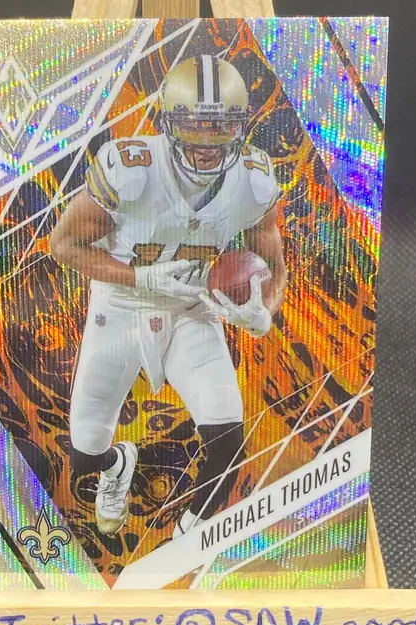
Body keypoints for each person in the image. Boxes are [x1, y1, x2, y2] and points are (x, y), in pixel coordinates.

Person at [49, 54, 287, 539]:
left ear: (240, 125)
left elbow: (274, 264)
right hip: (120, 306)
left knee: (228, 441)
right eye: (195, 126)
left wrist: (264, 313)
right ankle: (118, 465)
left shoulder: (254, 180)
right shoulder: (130, 168)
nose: (208, 144)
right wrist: (140, 278)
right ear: (168, 122)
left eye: (221, 127)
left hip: (191, 308)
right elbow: (64, 246)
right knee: (84, 458)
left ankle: (190, 535)